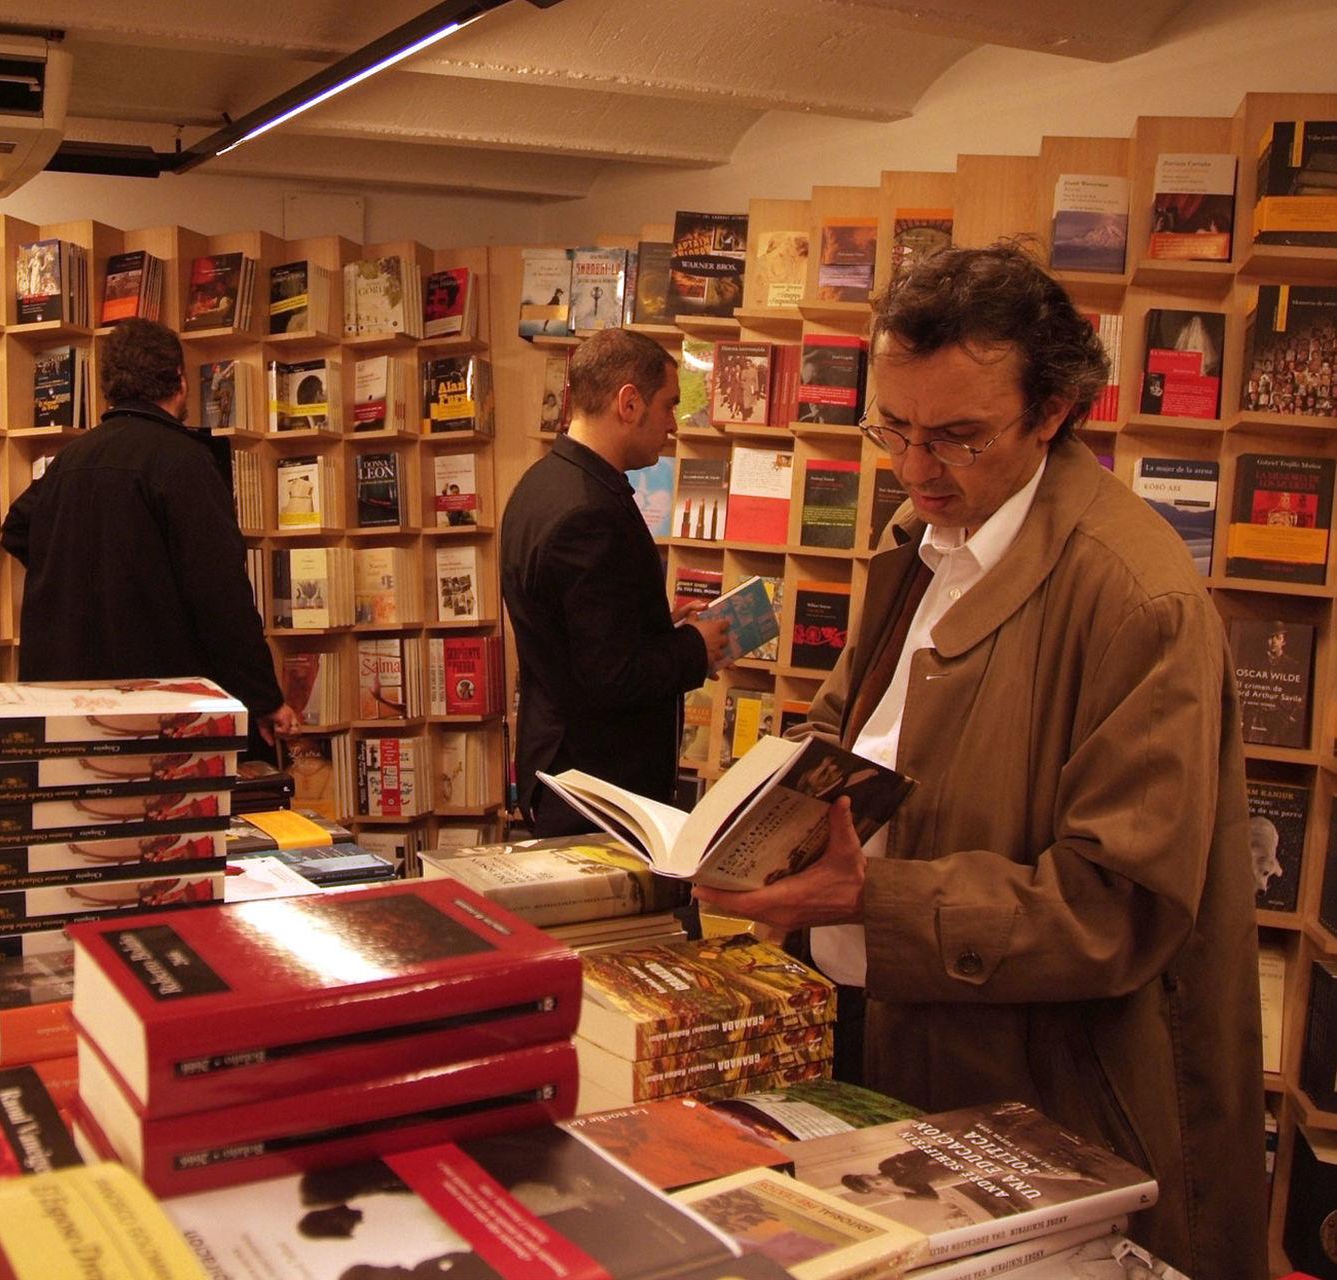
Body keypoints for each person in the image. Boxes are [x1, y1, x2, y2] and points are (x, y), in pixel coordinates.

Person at [693, 243, 1262, 1279]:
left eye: (956, 437)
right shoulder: (916, 537)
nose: (914, 469)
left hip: (1060, 1103)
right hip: (899, 1044)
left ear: (1049, 414)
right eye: (893, 430)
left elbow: (1114, 905)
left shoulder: (1138, 598)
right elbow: (842, 732)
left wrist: (868, 900)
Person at [3, 319, 297, 744]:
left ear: (109, 387)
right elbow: (220, 593)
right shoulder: (184, 461)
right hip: (161, 702)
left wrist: (79, 574)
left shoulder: (72, 458)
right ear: (179, 381)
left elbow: (16, 527)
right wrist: (264, 698)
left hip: (65, 701)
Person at [501, 328, 728, 835]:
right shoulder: (587, 512)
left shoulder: (542, 483)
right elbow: (608, 676)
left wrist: (653, 625)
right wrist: (695, 647)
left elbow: (577, 635)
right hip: (595, 788)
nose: (672, 424)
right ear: (629, 403)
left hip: (568, 771)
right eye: (668, 405)